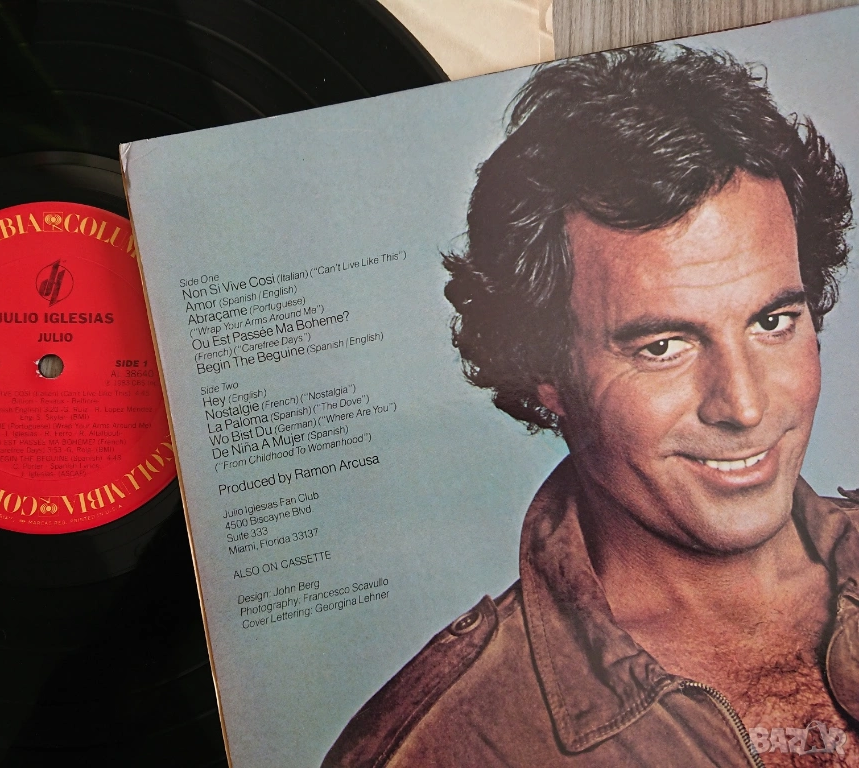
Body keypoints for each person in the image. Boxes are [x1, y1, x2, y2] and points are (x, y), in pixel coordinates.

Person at [324, 45, 859, 767]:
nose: (743, 404)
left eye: (772, 322)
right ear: (544, 371)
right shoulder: (445, 744)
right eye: (663, 346)